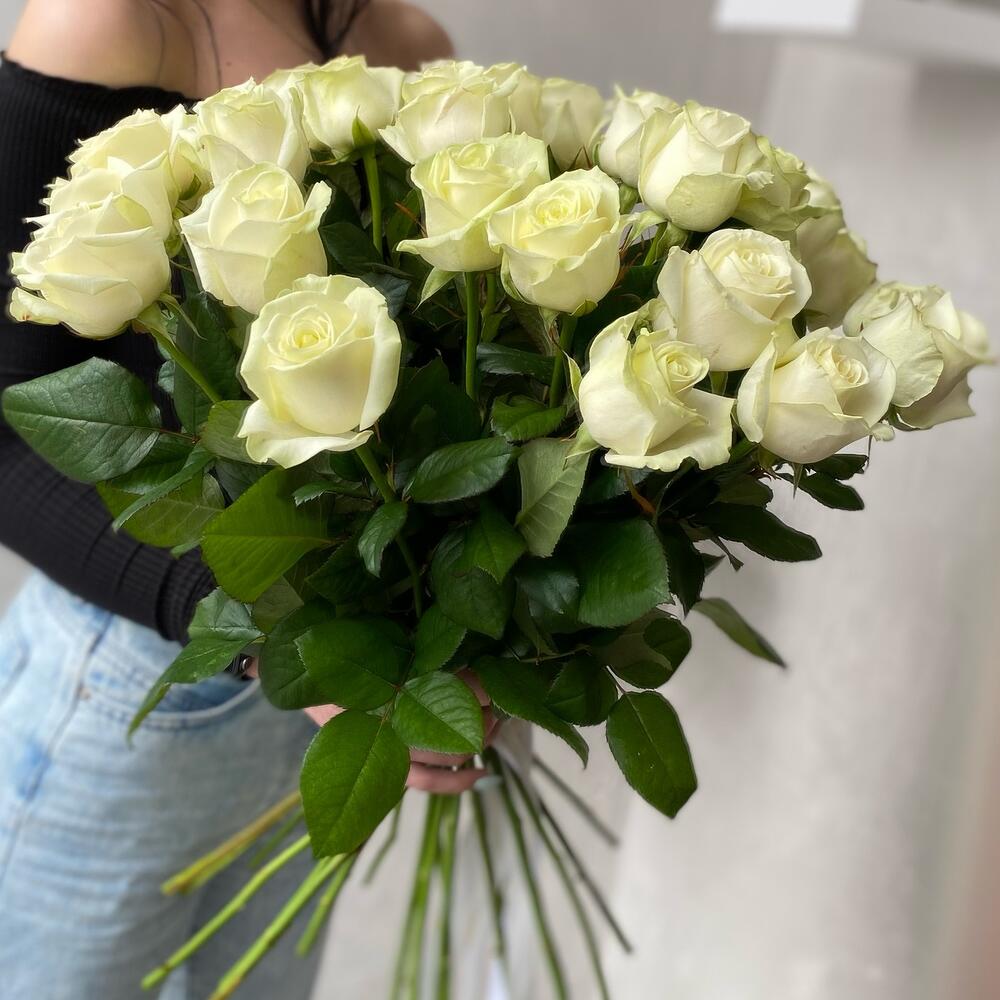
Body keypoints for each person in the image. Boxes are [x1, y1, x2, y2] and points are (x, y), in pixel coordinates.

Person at [0, 3, 490, 998]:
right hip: (140, 682)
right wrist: (265, 632)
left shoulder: (412, 48)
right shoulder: (106, 22)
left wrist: (475, 645)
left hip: (329, 697)